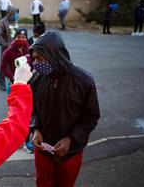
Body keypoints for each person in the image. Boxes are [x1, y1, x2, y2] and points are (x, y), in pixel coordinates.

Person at [29, 31, 100, 187]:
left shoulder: (83, 81)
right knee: (42, 183)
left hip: (70, 152)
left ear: (55, 55)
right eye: (34, 59)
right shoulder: (35, 79)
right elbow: (32, 109)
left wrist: (71, 139)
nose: (36, 63)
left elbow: (91, 117)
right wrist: (35, 129)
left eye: (40, 58)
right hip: (43, 150)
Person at [0, 28, 34, 153]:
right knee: (15, 112)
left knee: (27, 112)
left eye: (24, 37)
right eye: (19, 37)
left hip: (28, 85)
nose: (21, 39)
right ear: (15, 38)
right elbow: (3, 67)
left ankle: (27, 141)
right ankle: (16, 139)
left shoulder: (29, 50)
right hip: (13, 85)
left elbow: (34, 63)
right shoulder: (8, 51)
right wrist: (13, 77)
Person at [0, 5, 19, 90]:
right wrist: (5, 44)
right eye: (14, 13)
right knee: (4, 64)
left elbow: (18, 33)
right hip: (6, 47)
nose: (16, 15)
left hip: (15, 47)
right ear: (10, 14)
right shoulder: (3, 22)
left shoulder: (15, 21)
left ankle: (13, 80)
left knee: (14, 64)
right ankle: (1, 82)